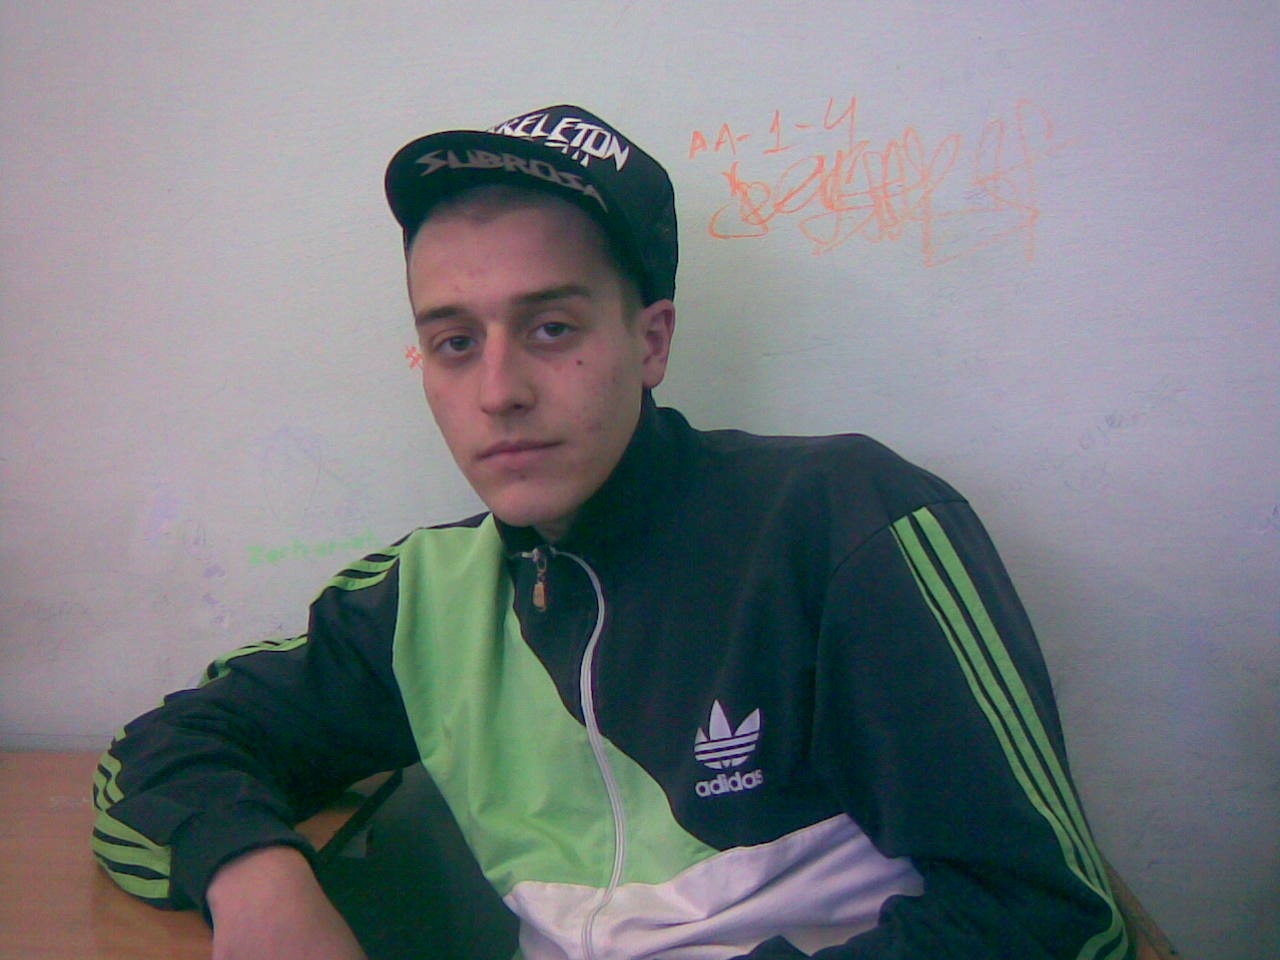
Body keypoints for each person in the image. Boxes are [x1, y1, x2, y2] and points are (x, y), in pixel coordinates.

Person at [92, 104, 1131, 960]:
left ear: (650, 340)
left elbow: (1048, 920)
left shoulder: (842, 523)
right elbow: (163, 751)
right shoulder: (426, 597)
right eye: (454, 342)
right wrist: (255, 876)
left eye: (550, 328)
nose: (497, 391)